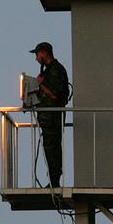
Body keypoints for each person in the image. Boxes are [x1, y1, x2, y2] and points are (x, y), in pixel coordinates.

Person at [29, 41, 70, 187]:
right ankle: (53, 181)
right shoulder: (48, 71)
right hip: (47, 118)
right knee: (50, 149)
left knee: (53, 149)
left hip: (53, 117)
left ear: (44, 53)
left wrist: (40, 84)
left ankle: (55, 182)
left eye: (37, 54)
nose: (36, 58)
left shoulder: (56, 70)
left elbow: (55, 95)